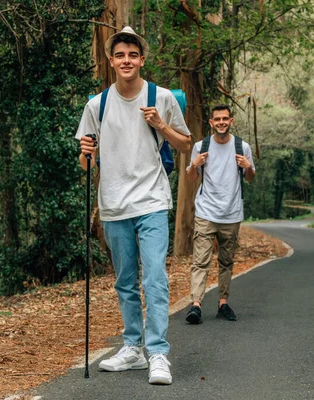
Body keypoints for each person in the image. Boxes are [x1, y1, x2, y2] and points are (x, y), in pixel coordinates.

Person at [76, 26, 191, 385]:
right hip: (113, 205)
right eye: (120, 55)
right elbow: (86, 162)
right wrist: (86, 154)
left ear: (141, 59)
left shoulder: (161, 98)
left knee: (154, 277)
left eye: (133, 54)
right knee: (125, 282)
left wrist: (160, 125)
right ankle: (132, 349)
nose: (127, 60)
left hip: (152, 200)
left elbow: (186, 144)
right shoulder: (97, 105)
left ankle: (158, 353)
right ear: (111, 61)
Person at [184, 105, 256, 325]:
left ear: (231, 121)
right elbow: (191, 178)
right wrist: (193, 165)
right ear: (211, 122)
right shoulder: (200, 146)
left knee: (226, 261)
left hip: (232, 214)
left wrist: (248, 166)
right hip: (206, 211)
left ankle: (223, 303)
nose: (222, 122)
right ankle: (196, 305)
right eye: (218, 119)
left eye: (225, 118)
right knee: (200, 261)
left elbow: (250, 178)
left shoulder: (241, 147)